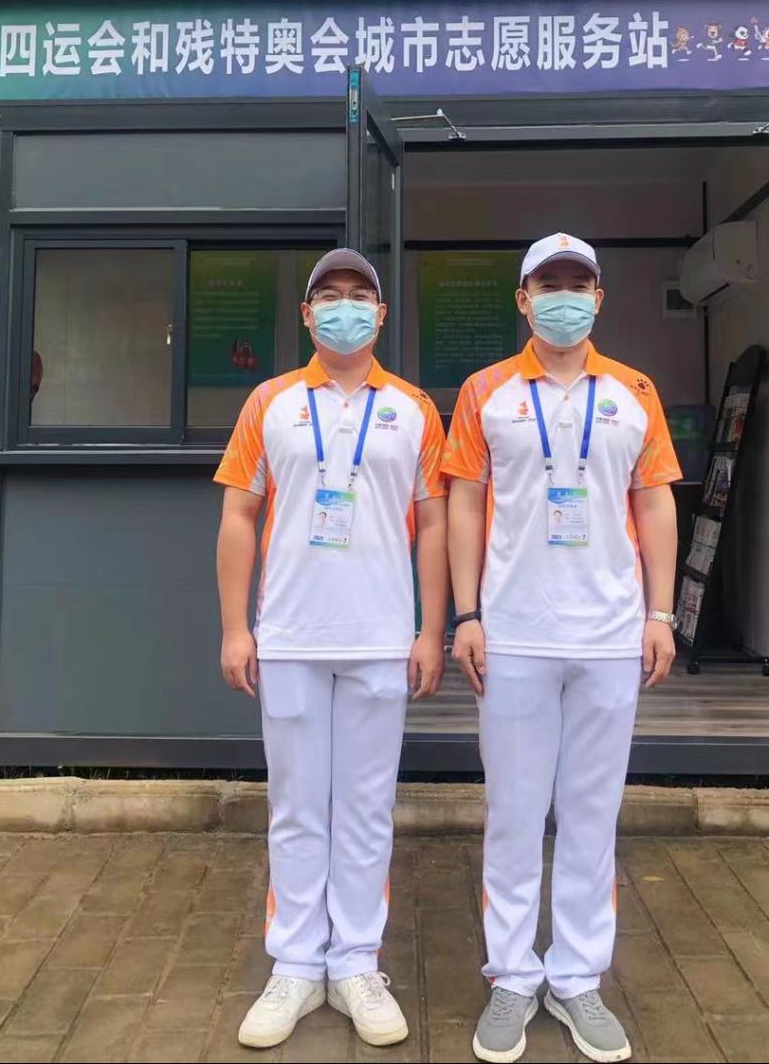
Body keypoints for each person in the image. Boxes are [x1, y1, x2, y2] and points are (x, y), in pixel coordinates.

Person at [443, 233, 681, 1064]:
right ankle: (512, 974)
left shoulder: (635, 391)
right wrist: (466, 614)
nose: (565, 297)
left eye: (579, 283)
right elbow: (464, 502)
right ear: (523, 298)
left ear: (599, 297)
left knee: (591, 813)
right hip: (513, 635)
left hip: (610, 636)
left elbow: (655, 502)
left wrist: (661, 613)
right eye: (549, 284)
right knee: (513, 812)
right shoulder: (485, 392)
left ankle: (578, 976)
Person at [215, 248, 448, 1050]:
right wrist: (236, 627)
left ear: (379, 315)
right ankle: (294, 963)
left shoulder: (414, 408)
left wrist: (430, 628)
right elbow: (239, 515)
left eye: (358, 296)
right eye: (328, 296)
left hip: (381, 639)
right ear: (307, 314)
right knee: (295, 806)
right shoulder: (270, 402)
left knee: (365, 808)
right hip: (289, 637)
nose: (343, 307)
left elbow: (434, 523)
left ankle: (355, 962)